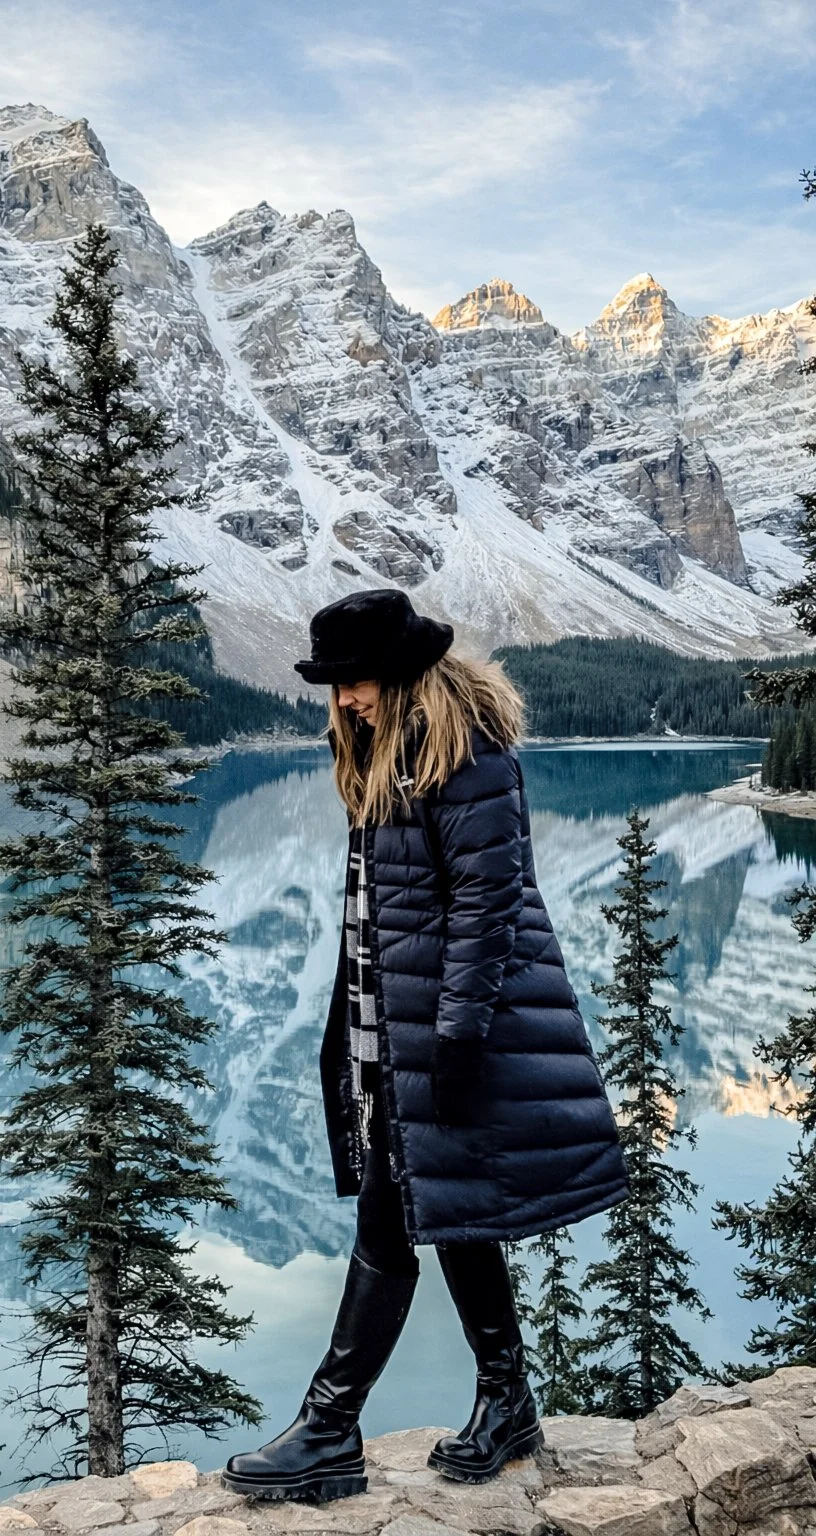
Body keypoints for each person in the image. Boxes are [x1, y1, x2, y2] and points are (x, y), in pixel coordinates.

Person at [222, 589, 631, 1504]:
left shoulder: (466, 753)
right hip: (394, 1027)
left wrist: (453, 1040)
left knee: (392, 1215)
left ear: (401, 677)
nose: (344, 700)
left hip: (447, 1032)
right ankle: (506, 1399)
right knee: (442, 1210)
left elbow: (490, 907)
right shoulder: (386, 749)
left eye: (355, 682)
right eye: (336, 686)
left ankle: (330, 1428)